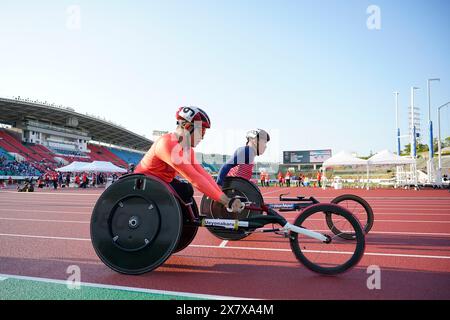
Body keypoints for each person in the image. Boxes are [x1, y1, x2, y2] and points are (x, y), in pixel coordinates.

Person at [135, 106, 243, 213]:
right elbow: (194, 178)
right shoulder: (167, 144)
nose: (202, 137)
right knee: (184, 190)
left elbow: (202, 174)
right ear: (186, 126)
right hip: (142, 186)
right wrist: (226, 201)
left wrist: (223, 196)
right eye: (201, 132)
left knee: (185, 190)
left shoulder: (187, 149)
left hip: (160, 184)